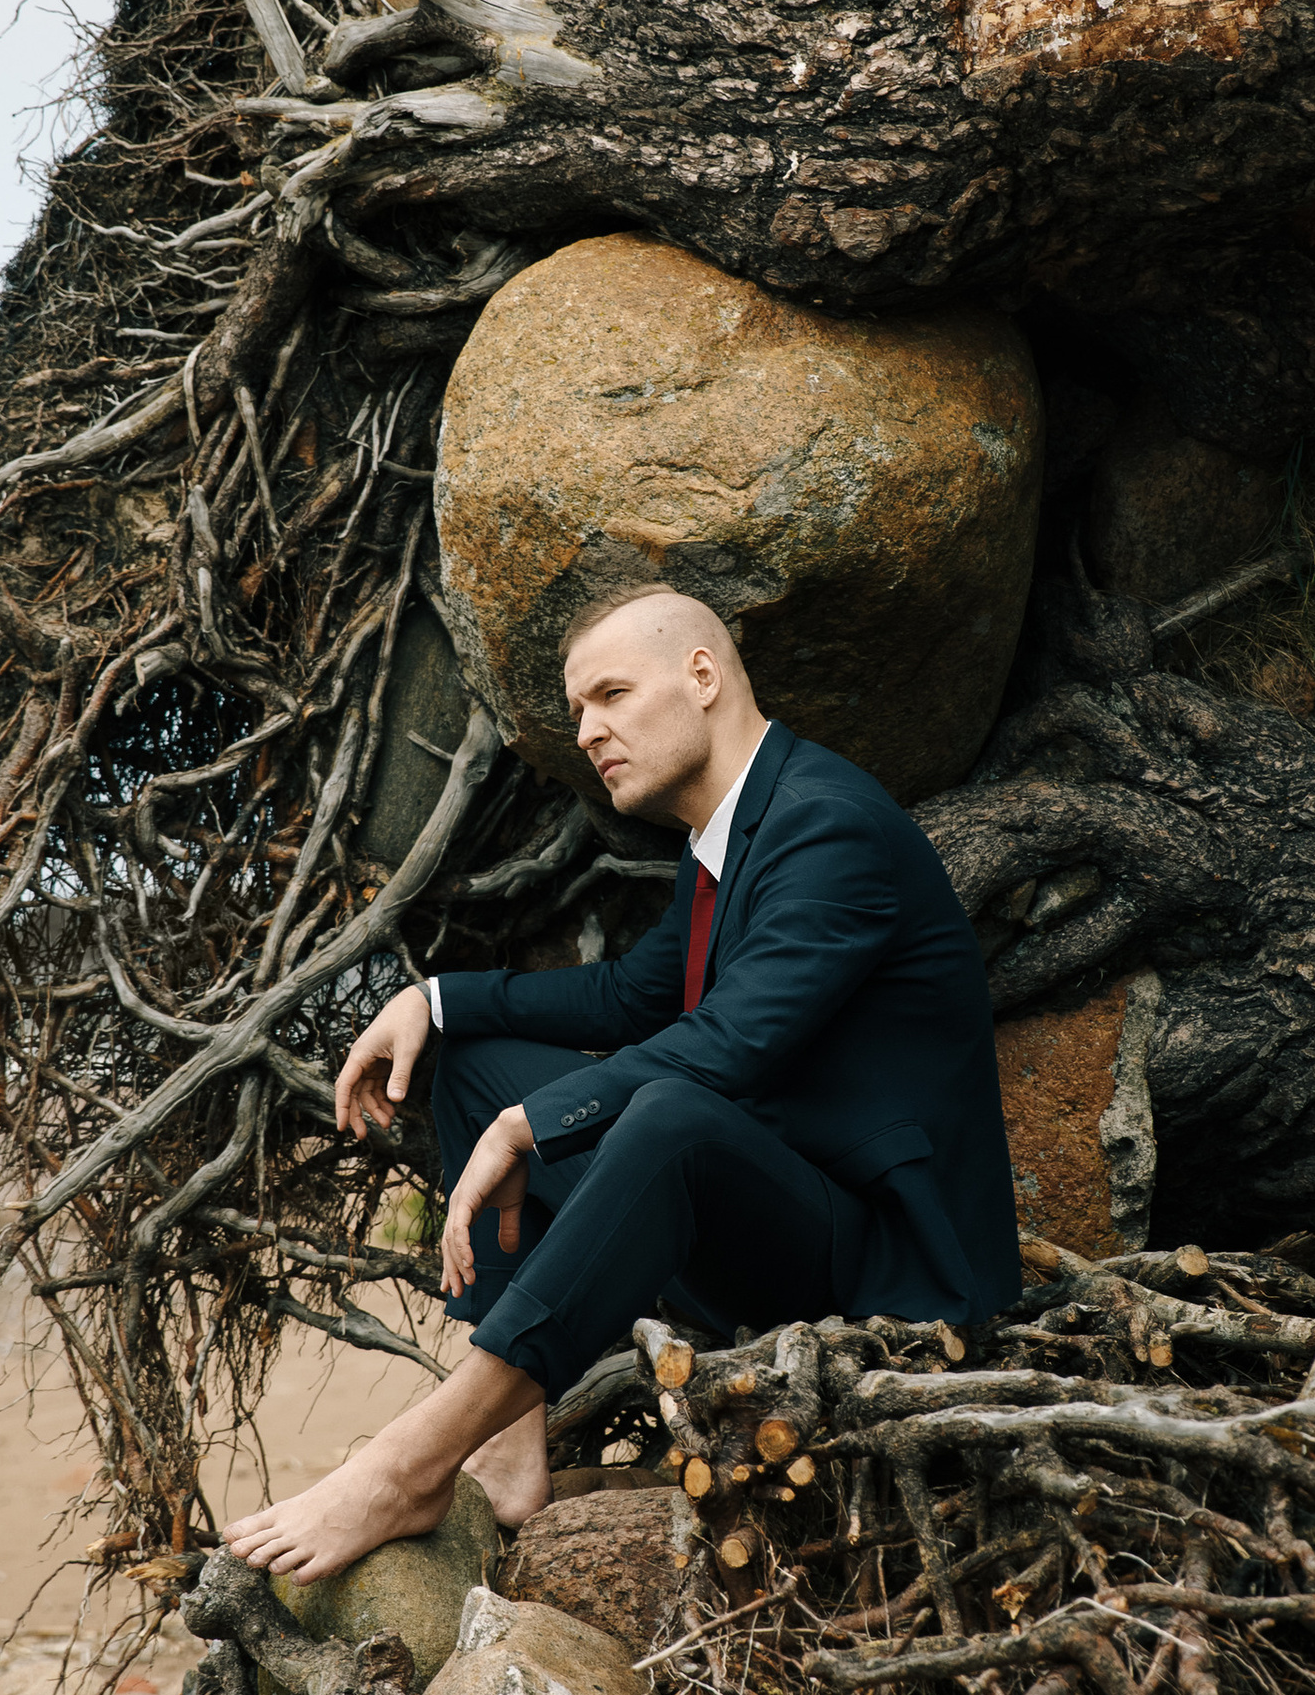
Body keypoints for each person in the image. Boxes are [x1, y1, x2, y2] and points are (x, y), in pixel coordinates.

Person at [218, 584, 1020, 1582]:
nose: (588, 731)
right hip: (781, 1217)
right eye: (577, 711)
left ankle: (408, 1466)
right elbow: (630, 996)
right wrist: (437, 1000)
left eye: (611, 695)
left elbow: (732, 1042)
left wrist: (530, 1127)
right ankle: (508, 1446)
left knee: (672, 1115)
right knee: (477, 1065)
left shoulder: (827, 824)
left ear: (702, 675)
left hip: (891, 1275)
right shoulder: (727, 835)